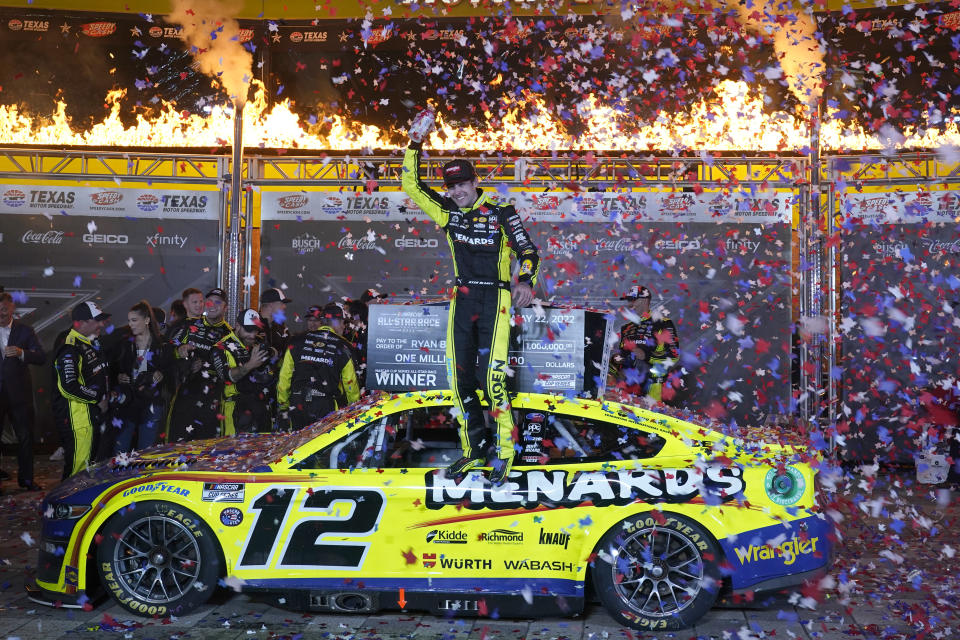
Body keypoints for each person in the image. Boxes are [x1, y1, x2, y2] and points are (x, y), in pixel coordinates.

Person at [402, 109, 540, 485]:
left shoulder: (501, 212)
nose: (457, 191)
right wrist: (415, 143)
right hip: (461, 300)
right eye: (451, 186)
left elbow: (528, 252)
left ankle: (505, 455)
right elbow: (412, 187)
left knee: (491, 380)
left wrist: (524, 281)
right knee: (460, 381)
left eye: (462, 184)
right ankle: (472, 451)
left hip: (495, 301)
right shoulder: (447, 211)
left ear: (475, 181)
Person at [277, 303, 360, 430]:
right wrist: (354, 409)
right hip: (325, 406)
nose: (344, 327)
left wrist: (283, 405)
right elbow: (350, 384)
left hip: (298, 403)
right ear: (337, 322)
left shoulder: (296, 341)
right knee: (323, 447)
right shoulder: (344, 346)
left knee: (297, 446)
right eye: (344, 323)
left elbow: (284, 377)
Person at [53, 301, 111, 478]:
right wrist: (98, 398)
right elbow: (68, 386)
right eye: (97, 320)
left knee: (88, 468)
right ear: (81, 322)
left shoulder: (90, 342)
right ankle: (65, 505)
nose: (102, 324)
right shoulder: (70, 346)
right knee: (77, 472)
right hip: (77, 419)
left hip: (90, 417)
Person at [166, 288, 232, 442]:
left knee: (208, 449)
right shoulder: (188, 325)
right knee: (177, 446)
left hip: (214, 400)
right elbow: (165, 351)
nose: (212, 305)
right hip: (186, 396)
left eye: (218, 302)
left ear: (225, 307)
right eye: (209, 301)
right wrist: (179, 351)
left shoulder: (229, 334)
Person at [110, 301, 173, 454]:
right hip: (128, 401)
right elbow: (112, 367)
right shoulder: (125, 343)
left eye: (134, 320)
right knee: (120, 449)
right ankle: (120, 477)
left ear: (146, 320)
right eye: (129, 320)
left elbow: (171, 370)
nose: (130, 324)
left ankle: (143, 477)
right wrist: (118, 376)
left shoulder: (162, 344)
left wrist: (162, 375)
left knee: (146, 451)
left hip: (151, 401)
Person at [0, 292, 46, 492]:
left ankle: (26, 479)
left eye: (4, 310)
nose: (0, 314)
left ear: (12, 310)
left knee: (25, 437)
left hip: (19, 395)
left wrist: (21, 353)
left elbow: (41, 357)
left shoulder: (25, 331)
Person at [212, 309, 277, 435]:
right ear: (237, 325)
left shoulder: (258, 342)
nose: (252, 335)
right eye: (248, 330)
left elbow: (274, 355)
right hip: (236, 408)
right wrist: (250, 365)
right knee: (235, 451)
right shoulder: (221, 347)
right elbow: (228, 377)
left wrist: (271, 353)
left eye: (255, 330)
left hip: (262, 406)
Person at [612, 286, 679, 403]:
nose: (629, 304)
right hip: (627, 389)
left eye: (632, 300)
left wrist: (646, 356)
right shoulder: (626, 328)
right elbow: (623, 355)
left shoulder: (662, 323)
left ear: (644, 301)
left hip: (653, 387)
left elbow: (673, 355)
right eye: (628, 301)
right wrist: (615, 363)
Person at [259, 287, 292, 353]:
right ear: (271, 305)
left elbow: (289, 351)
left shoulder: (281, 328)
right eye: (282, 303)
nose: (284, 306)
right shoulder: (252, 325)